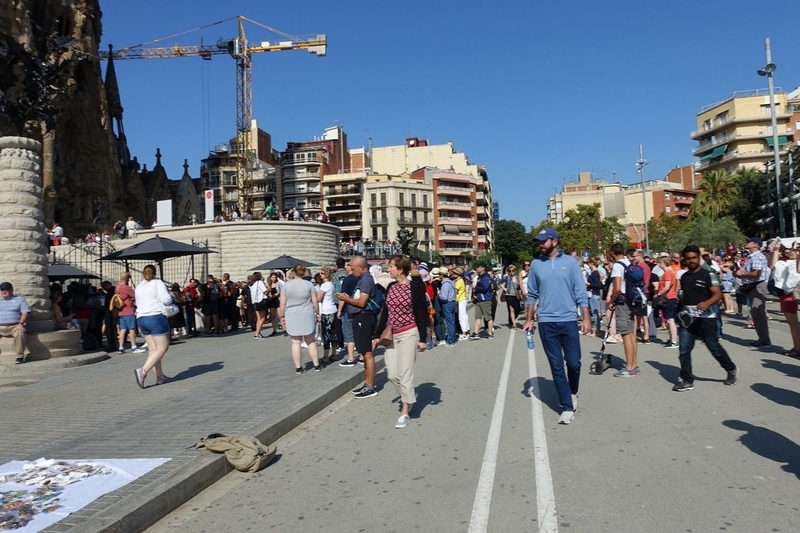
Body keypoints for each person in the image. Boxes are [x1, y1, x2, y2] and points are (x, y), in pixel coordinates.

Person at [523, 228, 591, 425]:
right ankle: (567, 406)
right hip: (546, 321)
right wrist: (529, 318)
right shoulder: (536, 265)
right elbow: (532, 294)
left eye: (544, 241)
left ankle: (572, 391)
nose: (540, 245)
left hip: (568, 319)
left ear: (554, 241)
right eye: (539, 242)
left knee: (574, 363)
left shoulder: (570, 263)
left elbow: (580, 292)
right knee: (556, 366)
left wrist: (586, 318)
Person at [671, 246, 738, 392]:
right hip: (688, 319)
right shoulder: (684, 276)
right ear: (684, 259)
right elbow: (685, 296)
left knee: (713, 347)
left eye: (694, 258)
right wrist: (681, 307)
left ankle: (730, 368)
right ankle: (687, 380)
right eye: (688, 258)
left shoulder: (708, 275)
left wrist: (707, 303)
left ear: (698, 258)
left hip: (706, 319)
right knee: (684, 350)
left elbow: (718, 294)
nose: (691, 261)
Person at [374, 255, 428, 429]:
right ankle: (409, 396)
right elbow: (385, 312)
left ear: (401, 269)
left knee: (405, 373)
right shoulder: (390, 286)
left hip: (409, 333)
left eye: (391, 266)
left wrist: (423, 338)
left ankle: (405, 412)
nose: (388, 269)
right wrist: (376, 334)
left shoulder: (415, 288)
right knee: (391, 374)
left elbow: (421, 312)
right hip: (392, 334)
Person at [336, 255, 379, 398]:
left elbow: (361, 302)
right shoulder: (362, 279)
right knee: (364, 353)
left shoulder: (366, 280)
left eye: (353, 269)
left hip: (364, 317)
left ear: (361, 268)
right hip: (359, 317)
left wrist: (346, 299)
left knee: (367, 353)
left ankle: (370, 386)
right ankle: (368, 383)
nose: (352, 271)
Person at [132, 265, 175, 388]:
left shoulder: (139, 286)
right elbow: (166, 300)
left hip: (141, 318)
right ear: (155, 273)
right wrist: (171, 297)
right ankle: (143, 371)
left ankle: (160, 376)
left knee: (153, 350)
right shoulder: (157, 282)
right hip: (155, 316)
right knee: (162, 348)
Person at [279, 264, 322, 374]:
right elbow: (315, 301)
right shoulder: (309, 285)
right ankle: (316, 365)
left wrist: (282, 316)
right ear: (304, 273)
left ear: (293, 272)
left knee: (295, 342)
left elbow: (282, 302)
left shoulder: (286, 285)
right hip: (307, 313)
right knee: (311, 341)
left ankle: (298, 367)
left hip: (292, 314)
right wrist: (317, 313)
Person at [607, 243, 640, 377]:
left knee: (625, 334)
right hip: (633, 300)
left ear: (613, 253)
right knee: (631, 334)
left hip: (623, 301)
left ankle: (629, 367)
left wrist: (611, 300)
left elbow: (617, 287)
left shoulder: (617, 266)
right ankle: (634, 363)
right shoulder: (629, 262)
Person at [734, 237, 770, 348]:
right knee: (755, 313)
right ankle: (762, 339)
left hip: (757, 286)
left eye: (749, 242)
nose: (746, 243)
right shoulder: (751, 257)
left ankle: (764, 340)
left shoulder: (757, 256)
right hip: (752, 286)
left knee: (758, 312)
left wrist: (742, 274)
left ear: (756, 245)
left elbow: (756, 274)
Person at [770, 242, 800, 357]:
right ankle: (796, 346)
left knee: (793, 323)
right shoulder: (787, 262)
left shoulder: (793, 263)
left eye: (793, 249)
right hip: (787, 294)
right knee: (792, 323)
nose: (790, 251)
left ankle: (798, 347)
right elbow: (773, 265)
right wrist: (775, 251)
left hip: (790, 294)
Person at [0, 282, 30, 364]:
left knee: (20, 333)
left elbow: (25, 312)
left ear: (12, 290)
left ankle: (19, 357)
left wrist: (20, 324)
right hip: (0, 326)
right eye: (2, 290)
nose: (4, 291)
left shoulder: (19, 299)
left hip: (15, 326)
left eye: (6, 289)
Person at [654, 256, 679, 348]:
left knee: (670, 320)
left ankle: (674, 341)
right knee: (669, 320)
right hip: (670, 297)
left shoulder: (668, 273)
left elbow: (667, 286)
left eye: (659, 263)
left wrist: (658, 294)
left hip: (668, 298)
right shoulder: (670, 273)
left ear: (664, 263)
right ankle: (672, 339)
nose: (658, 265)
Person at [116, 272, 144, 354]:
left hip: (121, 311)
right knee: (132, 329)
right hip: (129, 311)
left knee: (123, 330)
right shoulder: (126, 288)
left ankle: (120, 347)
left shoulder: (117, 287)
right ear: (127, 279)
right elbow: (135, 296)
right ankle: (134, 346)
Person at [316, 267, 339, 363]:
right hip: (333, 309)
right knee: (333, 333)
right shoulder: (331, 284)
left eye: (322, 273)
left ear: (325, 274)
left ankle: (325, 356)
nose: (320, 275)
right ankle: (334, 354)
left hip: (326, 311)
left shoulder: (325, 285)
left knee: (326, 334)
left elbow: (318, 298)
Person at [469, 262, 495, 340]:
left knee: (488, 317)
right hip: (479, 299)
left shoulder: (486, 277)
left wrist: (475, 288)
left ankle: (490, 333)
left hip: (485, 299)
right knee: (477, 317)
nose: (477, 269)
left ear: (483, 268)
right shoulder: (480, 277)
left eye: (478, 267)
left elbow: (484, 288)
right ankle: (476, 333)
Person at [500, 264, 520, 329]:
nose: (511, 272)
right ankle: (514, 324)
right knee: (511, 310)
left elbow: (520, 285)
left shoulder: (517, 277)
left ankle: (511, 320)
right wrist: (504, 288)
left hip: (516, 295)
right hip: (509, 295)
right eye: (510, 271)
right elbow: (499, 282)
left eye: (513, 271)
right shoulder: (507, 277)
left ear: (515, 271)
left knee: (517, 309)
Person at [250, 272, 268, 338]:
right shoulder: (260, 282)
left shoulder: (252, 284)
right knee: (263, 318)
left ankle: (258, 332)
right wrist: (268, 289)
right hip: (261, 301)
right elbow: (265, 291)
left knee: (259, 318)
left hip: (255, 302)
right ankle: (256, 333)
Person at [453, 267, 469, 340]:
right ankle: (466, 330)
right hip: (463, 299)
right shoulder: (461, 280)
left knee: (462, 317)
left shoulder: (459, 281)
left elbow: (455, 290)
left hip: (461, 299)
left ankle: (464, 333)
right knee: (464, 316)